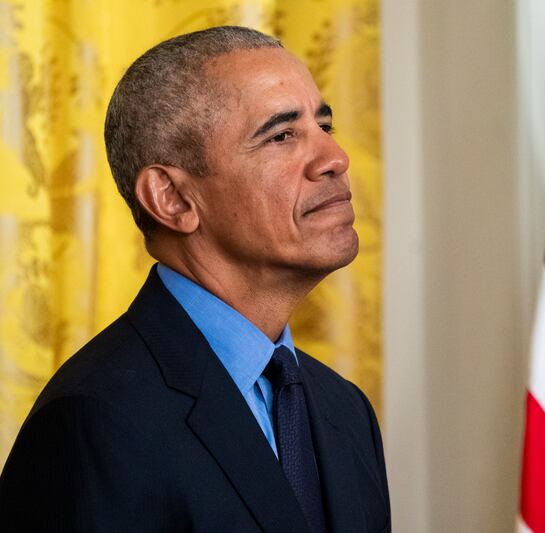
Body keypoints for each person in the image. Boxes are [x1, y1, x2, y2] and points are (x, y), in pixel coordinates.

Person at [0, 26, 390, 533]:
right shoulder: (94, 421)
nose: (335, 159)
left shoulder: (344, 408)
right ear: (173, 199)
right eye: (281, 134)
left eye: (325, 124)